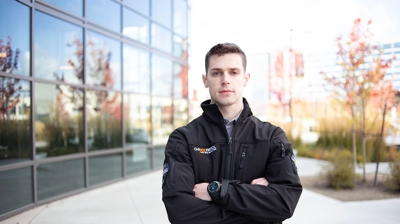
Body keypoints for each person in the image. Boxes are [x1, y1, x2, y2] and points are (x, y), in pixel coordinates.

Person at [162, 43, 302, 224]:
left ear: (246, 78)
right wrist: (258, 208)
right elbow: (180, 212)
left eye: (233, 72)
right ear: (205, 80)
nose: (225, 80)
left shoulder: (272, 137)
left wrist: (217, 191)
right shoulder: (183, 139)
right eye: (216, 72)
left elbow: (284, 203)